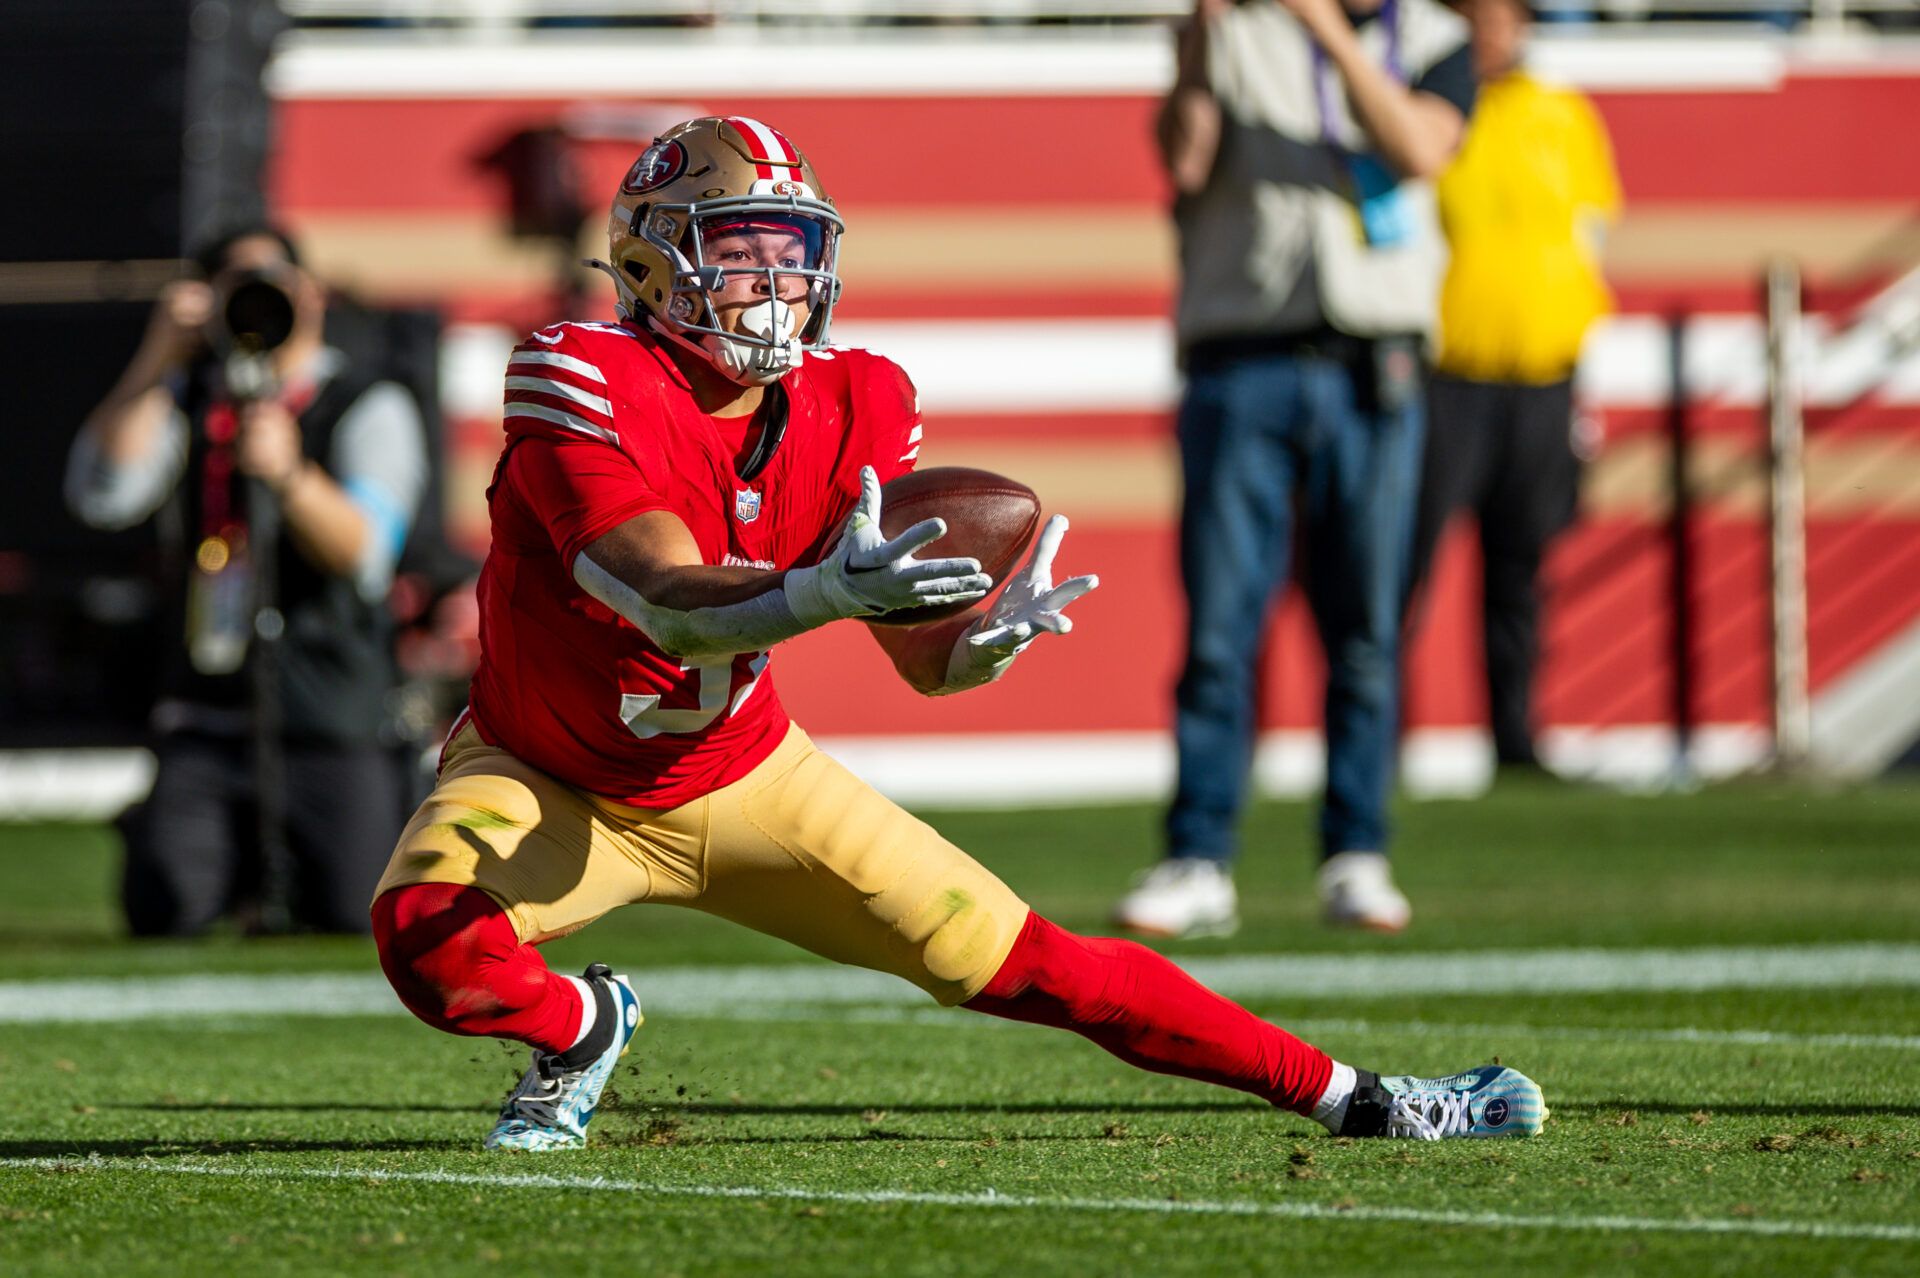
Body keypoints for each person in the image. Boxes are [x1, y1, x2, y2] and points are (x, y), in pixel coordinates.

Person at [365, 116, 1544, 1152]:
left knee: (1034, 962)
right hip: (546, 771)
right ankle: (588, 1026)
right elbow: (660, 593)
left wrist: (972, 646)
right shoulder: (579, 372)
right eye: (739, 251)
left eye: (795, 251)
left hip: (741, 772)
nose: (775, 283)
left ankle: (1365, 1100)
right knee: (428, 942)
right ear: (650, 260)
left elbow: (918, 664)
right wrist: (825, 593)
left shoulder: (857, 396)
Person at [1113, 0, 1476, 940]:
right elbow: (1185, 158)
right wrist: (1197, 40)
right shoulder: (1233, 34)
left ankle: (1356, 853)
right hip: (1245, 358)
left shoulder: (1436, 40)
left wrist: (1328, 34)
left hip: (1375, 363)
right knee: (1221, 629)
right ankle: (1199, 857)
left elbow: (1423, 150)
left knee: (1364, 626)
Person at [67, 226, 429, 936]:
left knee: (355, 910)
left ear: (311, 293)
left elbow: (364, 554)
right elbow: (104, 496)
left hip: (329, 713)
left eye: (273, 281)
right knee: (167, 907)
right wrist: (157, 356)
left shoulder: (365, 399)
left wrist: (291, 476)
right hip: (208, 710)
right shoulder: (185, 397)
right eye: (237, 285)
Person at [1406, 0, 1621, 772]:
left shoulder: (1564, 114)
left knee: (1521, 568)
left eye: (1505, 14)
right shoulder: (1432, 105)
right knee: (1403, 568)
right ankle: (1381, 749)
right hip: (1446, 376)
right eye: (1477, 14)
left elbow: (1586, 239)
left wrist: (1585, 379)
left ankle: (1516, 740)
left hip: (1543, 377)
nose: (1492, 28)